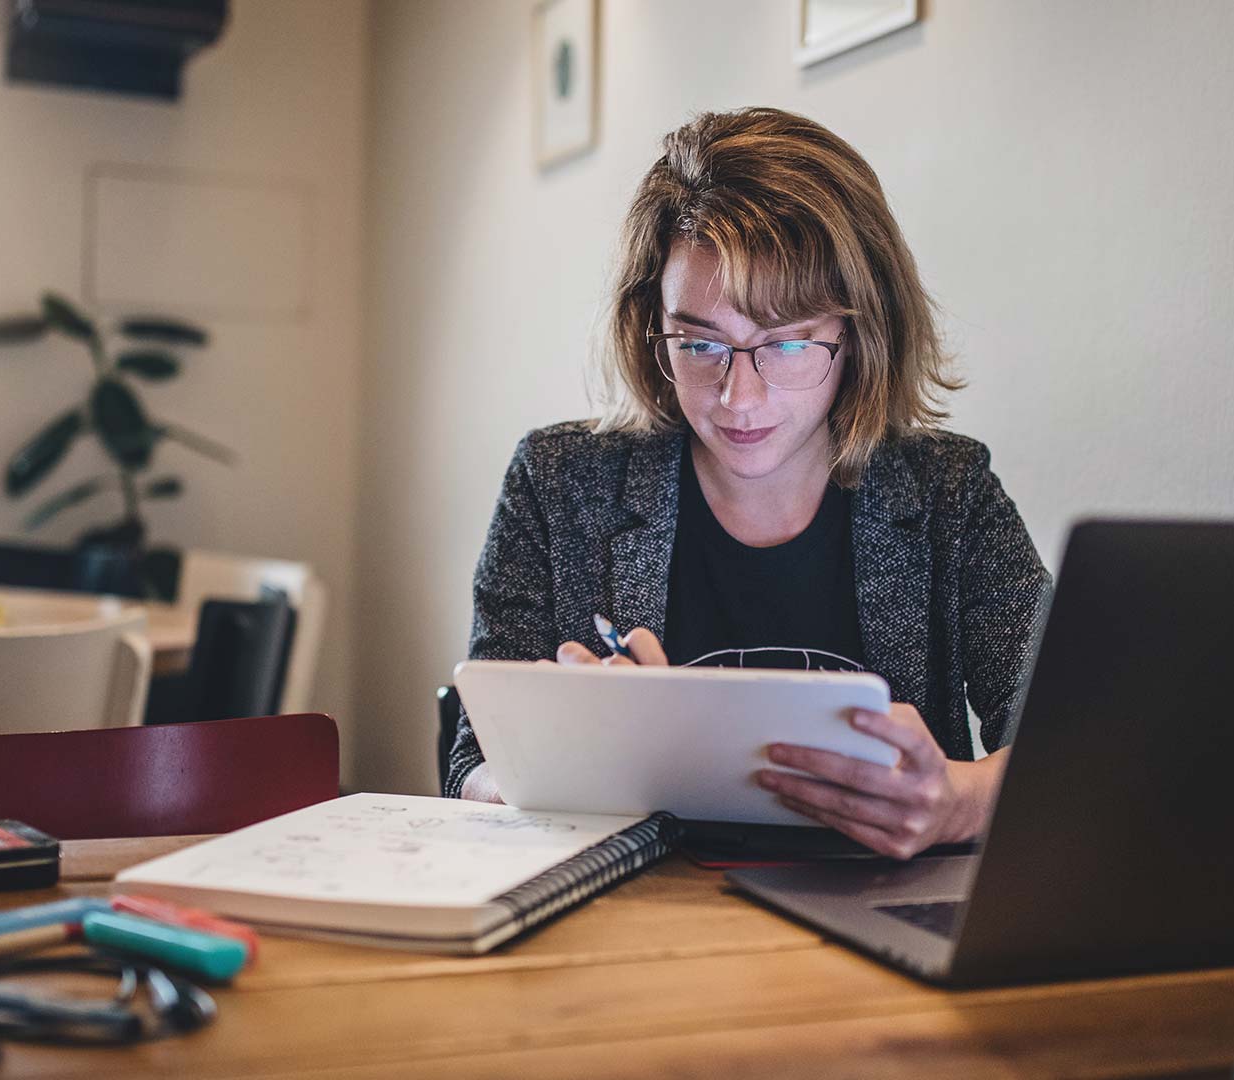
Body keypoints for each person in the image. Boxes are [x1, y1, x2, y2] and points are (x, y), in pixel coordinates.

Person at [445, 107, 1049, 860]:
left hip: (881, 920)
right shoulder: (561, 483)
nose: (738, 397)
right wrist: (573, 765)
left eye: (787, 342)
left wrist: (960, 803)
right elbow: (471, 765)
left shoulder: (948, 496)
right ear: (650, 325)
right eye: (699, 343)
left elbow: (1079, 747)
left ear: (859, 333)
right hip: (634, 926)